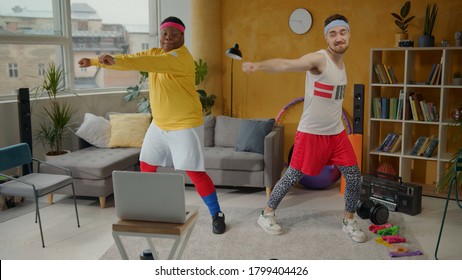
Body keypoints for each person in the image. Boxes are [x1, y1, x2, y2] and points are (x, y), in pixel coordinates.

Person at [78, 16, 226, 234]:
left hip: (184, 124)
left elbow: (142, 63)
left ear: (182, 36)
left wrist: (113, 61)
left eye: (174, 34)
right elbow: (134, 57)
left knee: (194, 172)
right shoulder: (155, 53)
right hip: (159, 124)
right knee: (146, 163)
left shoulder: (181, 58)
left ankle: (217, 214)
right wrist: (93, 62)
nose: (168, 38)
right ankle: (150, 209)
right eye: (165, 34)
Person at [242, 14, 366, 243]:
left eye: (342, 32)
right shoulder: (319, 60)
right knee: (293, 175)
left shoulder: (341, 63)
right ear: (326, 38)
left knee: (353, 175)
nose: (339, 38)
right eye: (333, 34)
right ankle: (266, 214)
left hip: (336, 132)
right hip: (311, 132)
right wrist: (259, 65)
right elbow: (287, 64)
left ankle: (349, 220)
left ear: (349, 34)